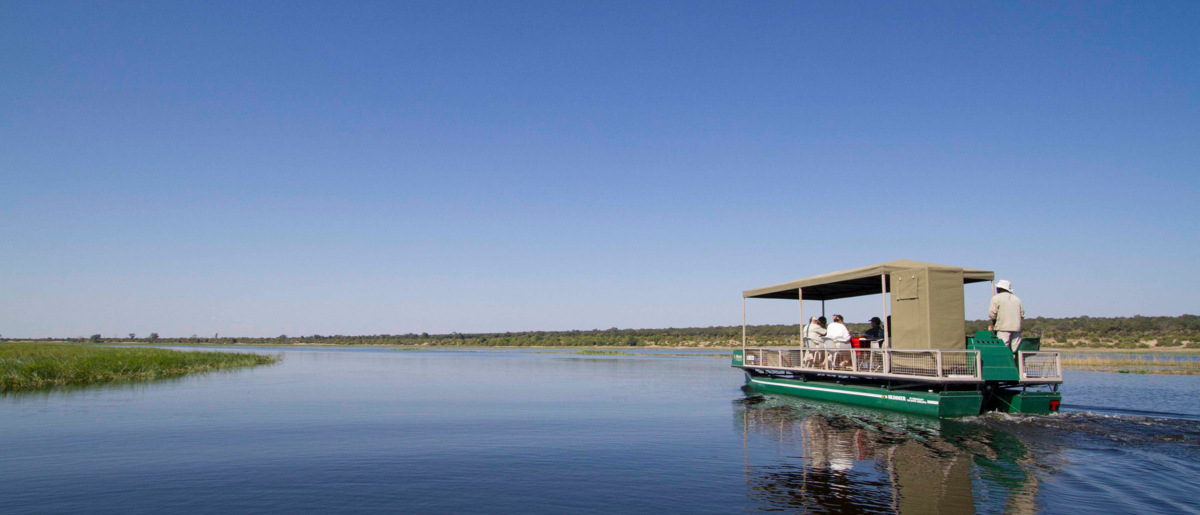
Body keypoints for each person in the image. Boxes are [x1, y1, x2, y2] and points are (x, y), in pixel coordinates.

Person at [989, 279, 1025, 354]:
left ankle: (1004, 364)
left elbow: (992, 314)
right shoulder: (1017, 299)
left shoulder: (996, 298)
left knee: (1003, 349)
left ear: (999, 288)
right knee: (1016, 350)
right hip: (1017, 328)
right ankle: (1017, 365)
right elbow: (1022, 315)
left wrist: (994, 322)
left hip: (1003, 328)